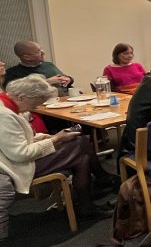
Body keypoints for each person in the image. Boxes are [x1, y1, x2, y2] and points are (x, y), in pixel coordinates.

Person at [0, 75, 116, 220]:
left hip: (16, 161)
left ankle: (89, 201)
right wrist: (56, 139)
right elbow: (21, 154)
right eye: (36, 103)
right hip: (17, 167)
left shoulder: (5, 107)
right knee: (81, 145)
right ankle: (95, 190)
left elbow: (18, 141)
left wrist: (48, 138)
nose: (35, 107)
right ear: (22, 97)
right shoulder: (5, 115)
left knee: (81, 151)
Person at [4, 41, 74, 92]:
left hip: (66, 100)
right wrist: (47, 82)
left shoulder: (49, 65)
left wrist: (69, 79)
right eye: (38, 51)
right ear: (26, 57)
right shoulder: (12, 73)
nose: (43, 53)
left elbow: (65, 79)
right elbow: (15, 91)